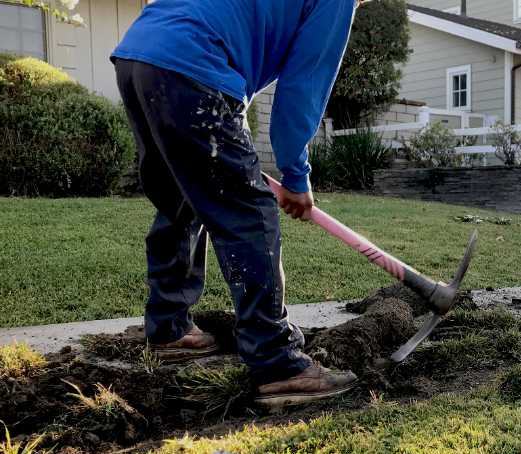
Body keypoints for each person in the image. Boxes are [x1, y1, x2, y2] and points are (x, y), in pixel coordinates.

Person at [111, 0, 359, 408]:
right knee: (249, 213)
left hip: (139, 53)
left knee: (180, 199)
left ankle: (169, 326)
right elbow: (303, 85)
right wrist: (296, 176)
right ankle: (277, 362)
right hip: (190, 60)